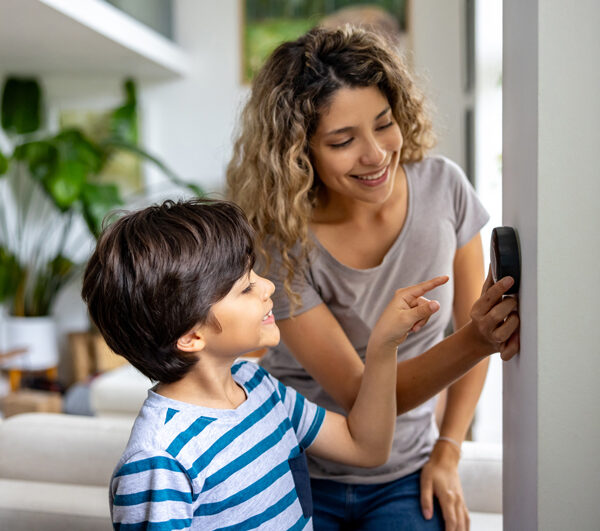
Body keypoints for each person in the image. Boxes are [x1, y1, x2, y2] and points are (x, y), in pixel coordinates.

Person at [226, 26, 519, 530]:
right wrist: (476, 339)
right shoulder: (280, 237)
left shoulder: (444, 188)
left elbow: (477, 321)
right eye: (343, 141)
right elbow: (364, 397)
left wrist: (448, 450)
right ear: (300, 153)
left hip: (405, 471)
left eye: (384, 124)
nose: (376, 154)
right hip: (292, 465)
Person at [81, 198, 449, 530]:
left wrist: (384, 346)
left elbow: (366, 447)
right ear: (192, 336)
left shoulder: (258, 385)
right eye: (245, 288)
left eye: (253, 273)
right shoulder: (158, 459)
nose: (268, 286)